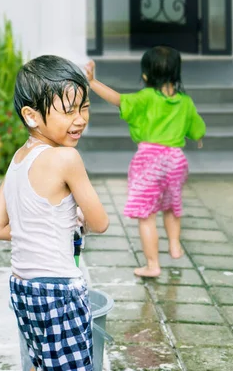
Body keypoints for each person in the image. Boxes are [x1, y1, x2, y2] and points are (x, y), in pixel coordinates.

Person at [0, 54, 110, 371]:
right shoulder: (66, 159)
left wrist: (45, 225)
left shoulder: (18, 159)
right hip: (59, 293)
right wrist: (76, 221)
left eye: (84, 108)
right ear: (31, 116)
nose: (79, 119)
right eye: (68, 111)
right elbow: (100, 222)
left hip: (22, 288)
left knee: (40, 364)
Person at [85, 45, 206, 278]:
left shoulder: (145, 98)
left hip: (150, 160)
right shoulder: (184, 101)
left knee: (146, 214)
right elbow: (197, 129)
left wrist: (93, 83)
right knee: (172, 206)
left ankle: (153, 265)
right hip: (176, 160)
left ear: (145, 75)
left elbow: (118, 100)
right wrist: (198, 138)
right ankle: (174, 245)